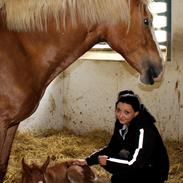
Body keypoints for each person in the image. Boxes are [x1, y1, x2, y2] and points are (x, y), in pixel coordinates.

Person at [73, 91, 169, 183]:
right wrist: (87, 161)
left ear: (136, 113)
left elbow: (136, 163)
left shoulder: (144, 130)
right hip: (136, 162)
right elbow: (112, 147)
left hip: (152, 169)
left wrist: (109, 161)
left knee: (118, 179)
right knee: (104, 160)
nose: (121, 115)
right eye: (118, 110)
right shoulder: (121, 122)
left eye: (126, 112)